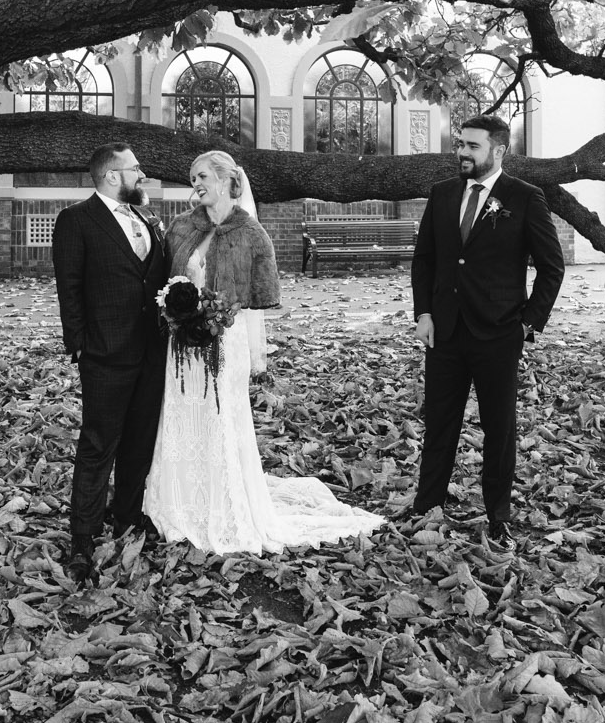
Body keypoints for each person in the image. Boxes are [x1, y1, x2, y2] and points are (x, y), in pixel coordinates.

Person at [143, 151, 384, 554]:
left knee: (221, 418)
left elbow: (263, 296)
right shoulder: (181, 228)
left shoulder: (253, 234)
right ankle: (179, 500)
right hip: (181, 344)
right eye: (192, 178)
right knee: (181, 414)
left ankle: (224, 504)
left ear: (225, 180)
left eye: (202, 176)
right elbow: (164, 284)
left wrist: (217, 306)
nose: (196, 184)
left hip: (226, 342)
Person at [409, 113, 566, 547]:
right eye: (461, 144)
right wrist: (424, 313)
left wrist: (529, 324)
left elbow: (552, 268)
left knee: (499, 429)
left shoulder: (526, 197)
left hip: (499, 334)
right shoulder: (442, 194)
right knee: (440, 422)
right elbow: (425, 260)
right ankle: (427, 504)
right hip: (444, 331)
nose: (462, 152)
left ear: (498, 150)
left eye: (472, 146)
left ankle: (498, 515)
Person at [52, 143, 170, 585]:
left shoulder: (147, 218)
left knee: (140, 441)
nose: (143, 174)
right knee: (98, 445)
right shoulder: (76, 221)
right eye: (135, 168)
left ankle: (127, 518)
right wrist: (79, 346)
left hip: (152, 353)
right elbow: (70, 287)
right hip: (104, 354)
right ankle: (82, 537)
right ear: (111, 176)